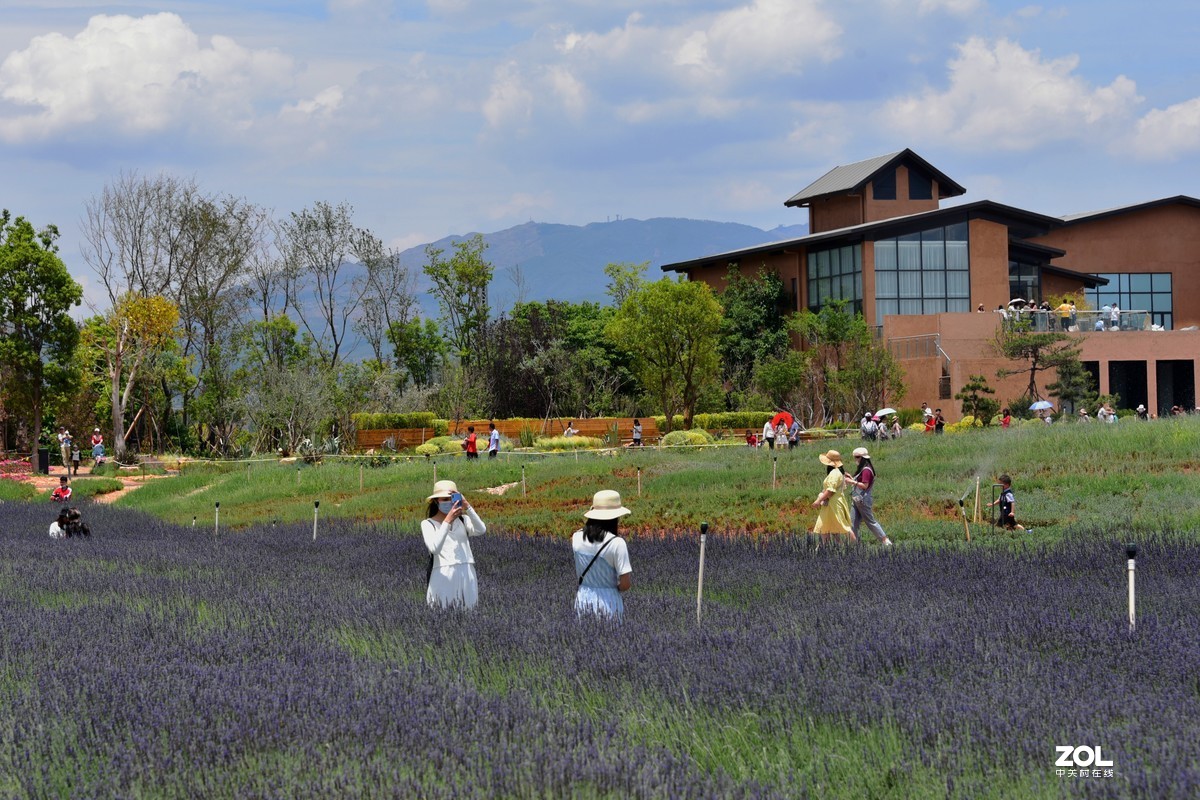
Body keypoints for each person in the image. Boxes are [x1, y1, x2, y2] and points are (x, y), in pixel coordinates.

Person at [421, 480, 487, 609]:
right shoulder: (428, 524)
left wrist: (467, 506)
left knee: (469, 610)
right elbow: (435, 548)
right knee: (441, 611)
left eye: (451, 498)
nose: (448, 502)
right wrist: (447, 521)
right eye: (444, 499)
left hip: (466, 571)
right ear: (436, 501)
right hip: (443, 573)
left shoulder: (463, 520)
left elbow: (481, 530)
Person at [572, 489, 633, 619]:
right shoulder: (617, 543)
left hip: (582, 600)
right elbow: (625, 584)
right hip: (609, 603)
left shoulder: (576, 537)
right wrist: (611, 587)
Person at [845, 447, 892, 546]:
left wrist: (851, 481)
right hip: (857, 499)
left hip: (863, 500)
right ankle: (853, 544)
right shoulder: (864, 468)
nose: (856, 459)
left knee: (870, 521)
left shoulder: (866, 470)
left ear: (863, 458)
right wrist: (851, 477)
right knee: (852, 522)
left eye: (857, 457)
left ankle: (885, 541)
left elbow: (864, 485)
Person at [811, 450, 854, 544]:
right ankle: (825, 547)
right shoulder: (838, 472)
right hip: (832, 502)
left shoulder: (835, 473)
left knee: (843, 525)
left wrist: (818, 501)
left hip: (833, 503)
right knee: (825, 525)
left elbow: (830, 490)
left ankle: (854, 546)